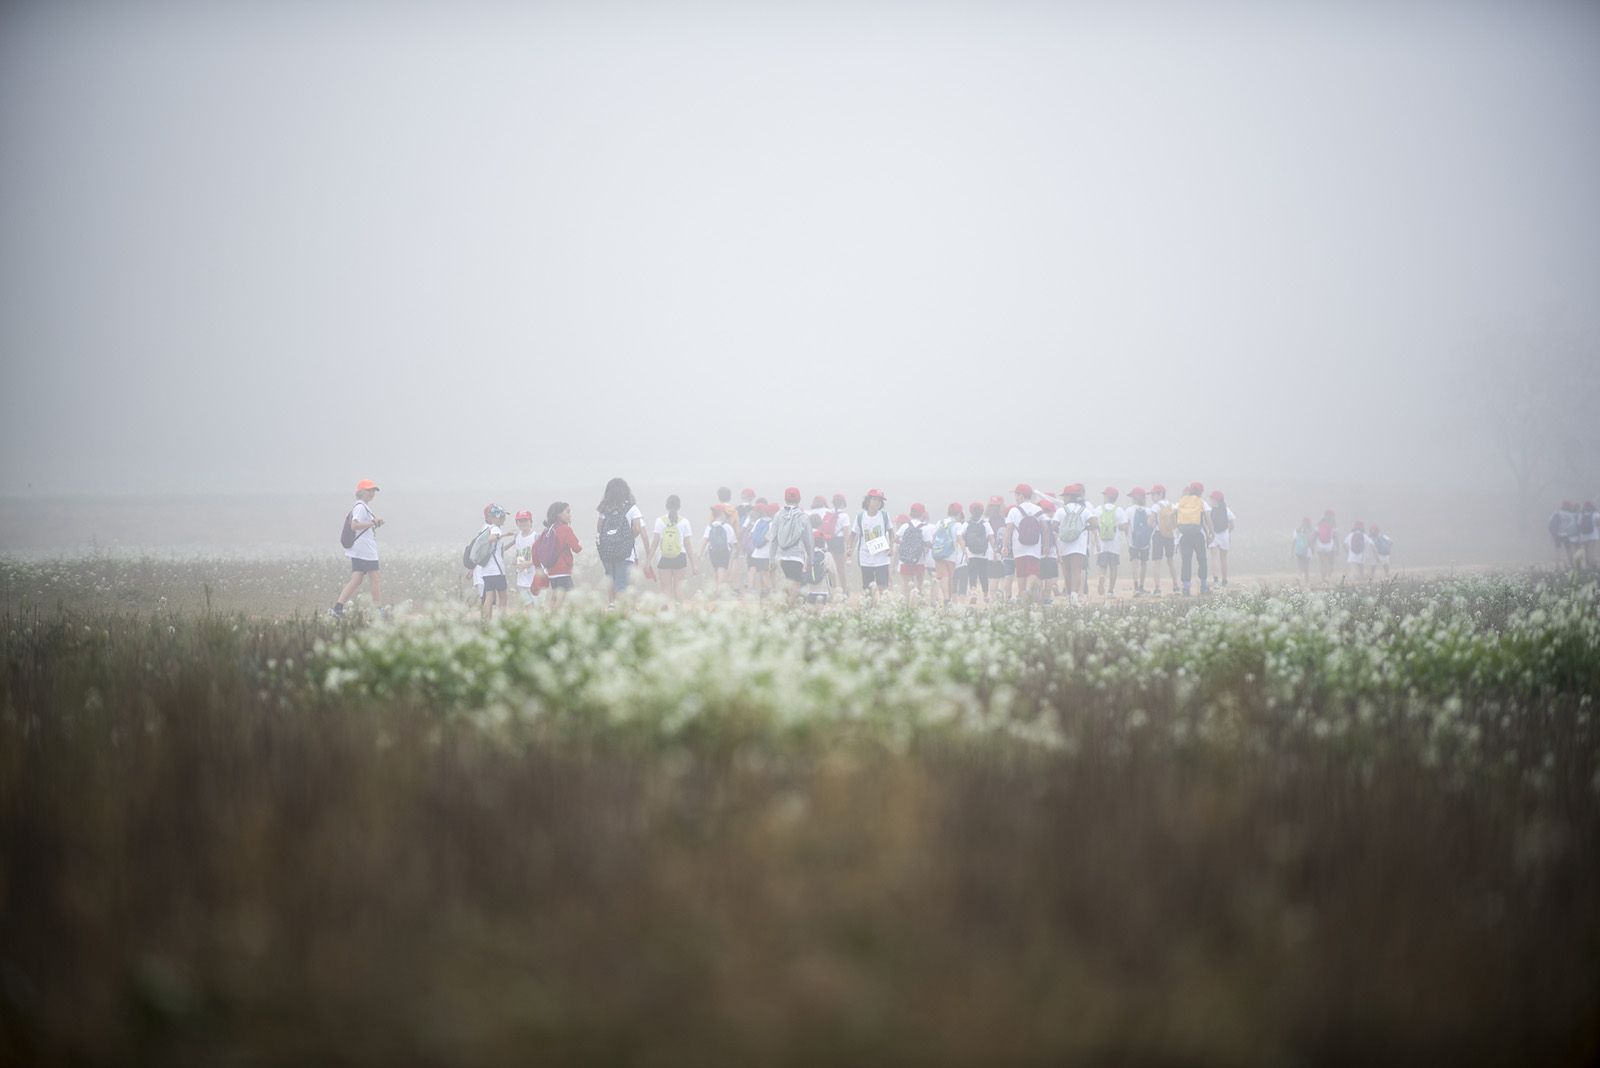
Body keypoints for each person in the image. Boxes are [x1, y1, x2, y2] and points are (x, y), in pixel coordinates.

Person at [333, 479, 384, 618]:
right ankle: (378, 610)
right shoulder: (360, 507)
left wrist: (375, 523)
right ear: (360, 492)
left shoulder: (362, 506)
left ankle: (338, 608)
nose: (372, 493)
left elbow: (362, 525)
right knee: (375, 578)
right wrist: (373, 522)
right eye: (368, 490)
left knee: (356, 579)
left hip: (359, 549)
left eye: (373, 491)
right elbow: (354, 526)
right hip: (364, 550)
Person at [596, 478, 651, 605]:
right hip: (625, 553)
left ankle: (611, 606)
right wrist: (629, 537)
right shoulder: (631, 508)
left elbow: (599, 529)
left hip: (607, 553)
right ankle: (621, 610)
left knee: (611, 581)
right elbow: (638, 528)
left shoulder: (604, 509)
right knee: (622, 584)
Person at [772, 488, 815, 604]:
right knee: (796, 582)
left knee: (785, 582)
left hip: (781, 556)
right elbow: (808, 540)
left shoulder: (778, 515)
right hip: (797, 556)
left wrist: (771, 559)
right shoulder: (803, 517)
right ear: (799, 499)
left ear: (785, 499)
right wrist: (811, 558)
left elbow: (773, 539)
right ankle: (789, 606)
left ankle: (785, 604)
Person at [536, 501, 582, 609]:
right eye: (567, 512)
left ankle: (549, 617)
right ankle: (554, 618)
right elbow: (576, 548)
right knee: (562, 596)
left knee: (555, 595)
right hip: (563, 570)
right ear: (559, 514)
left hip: (551, 570)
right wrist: (580, 545)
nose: (570, 515)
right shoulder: (565, 529)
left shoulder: (549, 529)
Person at [651, 495, 696, 604]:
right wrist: (694, 564)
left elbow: (655, 542)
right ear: (679, 506)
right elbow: (688, 545)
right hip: (680, 557)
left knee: (665, 590)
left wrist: (648, 561)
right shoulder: (684, 522)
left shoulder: (659, 521)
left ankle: (666, 616)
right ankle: (680, 614)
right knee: (679, 588)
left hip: (664, 557)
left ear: (666, 506)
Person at [1005, 483, 1046, 602]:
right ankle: (1029, 591)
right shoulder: (1038, 509)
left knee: (1021, 573)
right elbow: (1045, 529)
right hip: (1034, 547)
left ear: (1021, 496)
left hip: (1019, 548)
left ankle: (1023, 595)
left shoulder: (1013, 511)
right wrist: (1046, 545)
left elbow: (1009, 530)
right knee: (1032, 571)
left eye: (1016, 495)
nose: (1015, 498)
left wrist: (1005, 546)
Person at [473, 503, 513, 621]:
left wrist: (511, 542)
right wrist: (503, 535)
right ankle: (502, 620)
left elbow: (499, 549)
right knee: (503, 597)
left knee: (489, 597)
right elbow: (492, 539)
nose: (503, 519)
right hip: (497, 570)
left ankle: (486, 621)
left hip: (486, 571)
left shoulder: (486, 529)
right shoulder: (495, 528)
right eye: (502, 516)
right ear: (496, 517)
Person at [854, 489, 895, 605]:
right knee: (868, 586)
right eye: (874, 499)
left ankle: (883, 606)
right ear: (868, 501)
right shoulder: (860, 517)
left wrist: (891, 547)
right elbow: (854, 533)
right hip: (865, 556)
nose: (877, 502)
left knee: (882, 585)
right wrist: (849, 549)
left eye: (880, 500)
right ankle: (869, 606)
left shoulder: (884, 516)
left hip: (882, 557)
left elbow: (891, 532)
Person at [1174, 482, 1212, 596]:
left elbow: (1173, 514)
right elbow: (1207, 519)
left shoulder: (1182, 501)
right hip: (1198, 535)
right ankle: (1204, 586)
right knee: (1202, 560)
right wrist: (1211, 533)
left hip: (1184, 536)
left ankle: (1186, 588)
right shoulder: (1201, 502)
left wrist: (1176, 529)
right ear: (1201, 492)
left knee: (1186, 561)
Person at [1056, 484, 1091, 607]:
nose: (1063, 499)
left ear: (1069, 496)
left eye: (1064, 496)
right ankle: (1075, 596)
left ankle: (1068, 597)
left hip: (1064, 544)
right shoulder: (1084, 510)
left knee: (1066, 572)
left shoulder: (1061, 510)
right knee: (1077, 571)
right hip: (1079, 544)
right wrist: (1084, 528)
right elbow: (1095, 523)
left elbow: (1054, 525)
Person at [1091, 487, 1127, 598]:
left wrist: (1096, 539)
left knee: (1102, 566)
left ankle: (1102, 576)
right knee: (1113, 567)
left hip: (1102, 544)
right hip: (1114, 544)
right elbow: (1124, 526)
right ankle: (1110, 591)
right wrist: (1117, 526)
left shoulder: (1098, 509)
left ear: (1107, 496)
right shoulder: (1119, 510)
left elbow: (1094, 524)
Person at [897, 503, 935, 604]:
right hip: (919, 560)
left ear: (911, 513)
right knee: (919, 584)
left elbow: (896, 539)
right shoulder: (925, 528)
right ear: (922, 514)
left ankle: (905, 604)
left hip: (905, 559)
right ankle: (916, 603)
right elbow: (928, 543)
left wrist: (906, 544)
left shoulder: (905, 525)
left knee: (905, 584)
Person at [932, 503, 966, 606]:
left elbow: (934, 538)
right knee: (950, 577)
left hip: (939, 552)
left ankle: (946, 598)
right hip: (950, 554)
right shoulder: (957, 524)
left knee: (943, 576)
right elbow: (960, 539)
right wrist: (965, 552)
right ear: (959, 513)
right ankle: (948, 599)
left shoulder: (939, 522)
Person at [801, 515, 840, 605]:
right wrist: (836, 588)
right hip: (824, 591)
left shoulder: (806, 555)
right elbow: (833, 572)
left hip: (809, 591)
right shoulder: (826, 555)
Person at [1149, 483, 1178, 596]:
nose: (1152, 497)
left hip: (1158, 534)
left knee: (1157, 562)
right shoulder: (1172, 505)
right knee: (1170, 561)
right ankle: (1176, 585)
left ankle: (1157, 588)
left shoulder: (1156, 506)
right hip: (1170, 535)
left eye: (1153, 494)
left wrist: (1153, 525)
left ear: (1160, 494)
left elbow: (1150, 522)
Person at [1125, 487, 1155, 596]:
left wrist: (1127, 538)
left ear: (1134, 497)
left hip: (1132, 541)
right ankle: (1142, 586)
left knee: (1134, 562)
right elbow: (1151, 525)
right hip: (1146, 542)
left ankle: (1136, 586)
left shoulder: (1128, 510)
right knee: (1144, 563)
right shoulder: (1149, 511)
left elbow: (1126, 526)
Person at [962, 501, 993, 604]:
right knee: (984, 574)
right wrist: (996, 552)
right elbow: (991, 538)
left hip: (971, 554)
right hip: (984, 554)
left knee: (972, 574)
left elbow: (961, 537)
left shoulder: (966, 524)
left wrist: (964, 550)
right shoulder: (986, 524)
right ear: (982, 511)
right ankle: (986, 595)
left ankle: (974, 592)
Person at [511, 509, 542, 608]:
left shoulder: (536, 537)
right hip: (522, 579)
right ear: (517, 523)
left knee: (537, 607)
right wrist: (515, 560)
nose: (523, 523)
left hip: (535, 579)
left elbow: (541, 557)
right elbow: (518, 552)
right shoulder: (517, 536)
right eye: (520, 521)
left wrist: (528, 563)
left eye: (525, 520)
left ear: (531, 522)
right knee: (528, 606)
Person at [705, 504, 738, 592]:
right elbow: (733, 542)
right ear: (723, 514)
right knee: (722, 569)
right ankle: (719, 590)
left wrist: (701, 553)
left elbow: (705, 540)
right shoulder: (727, 526)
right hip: (724, 551)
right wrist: (737, 551)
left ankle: (716, 588)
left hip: (712, 551)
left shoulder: (710, 526)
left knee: (716, 570)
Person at [986, 495, 1013, 601]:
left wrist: (994, 552)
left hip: (991, 553)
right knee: (1004, 578)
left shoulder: (986, 521)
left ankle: (993, 601)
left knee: (993, 578)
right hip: (1004, 552)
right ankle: (1004, 600)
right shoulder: (1006, 520)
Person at [747, 501, 776, 597]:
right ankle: (772, 593)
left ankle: (764, 592)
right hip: (767, 553)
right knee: (766, 574)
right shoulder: (773, 524)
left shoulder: (759, 521)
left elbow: (751, 534)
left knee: (762, 573)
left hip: (757, 553)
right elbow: (772, 538)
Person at [1208, 490, 1237, 587]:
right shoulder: (1226, 509)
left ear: (1215, 500)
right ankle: (1224, 580)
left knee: (1214, 557)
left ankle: (1216, 580)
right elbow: (1232, 524)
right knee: (1223, 558)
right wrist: (1227, 533)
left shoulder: (1210, 510)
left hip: (1213, 535)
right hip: (1224, 535)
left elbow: (1207, 522)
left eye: (1211, 498)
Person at [1036, 498, 1060, 603]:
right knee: (1049, 577)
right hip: (1051, 553)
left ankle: (1040, 596)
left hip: (1038, 553)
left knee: (1040, 577)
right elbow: (1055, 539)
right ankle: (1047, 597)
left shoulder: (1038, 520)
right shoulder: (1051, 522)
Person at [828, 493, 851, 593]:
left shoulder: (828, 513)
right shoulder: (844, 516)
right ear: (843, 503)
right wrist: (848, 547)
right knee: (840, 568)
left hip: (829, 541)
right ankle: (844, 590)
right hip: (839, 541)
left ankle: (833, 589)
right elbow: (846, 533)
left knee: (830, 567)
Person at [1314, 510, 1339, 585]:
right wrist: (1338, 548)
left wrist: (1311, 546)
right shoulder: (1333, 524)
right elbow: (1335, 537)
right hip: (1329, 545)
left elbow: (1314, 536)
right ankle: (1328, 576)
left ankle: (1323, 578)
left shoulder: (1319, 524)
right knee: (1330, 562)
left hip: (1320, 545)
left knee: (1322, 563)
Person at [1292, 517, 1314, 586]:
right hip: (1307, 551)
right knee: (1306, 566)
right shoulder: (1310, 531)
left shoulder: (1296, 531)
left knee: (1299, 565)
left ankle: (1299, 579)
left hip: (1298, 550)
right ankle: (1306, 581)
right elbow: (1310, 542)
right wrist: (1312, 549)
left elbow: (1294, 541)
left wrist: (1292, 551)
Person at [1580, 503, 1600, 570]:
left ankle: (1587, 564)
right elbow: (1598, 524)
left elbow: (1579, 524)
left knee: (1586, 550)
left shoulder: (1581, 514)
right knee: (1592, 550)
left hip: (1584, 536)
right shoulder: (1596, 514)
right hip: (1593, 535)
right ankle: (1593, 564)